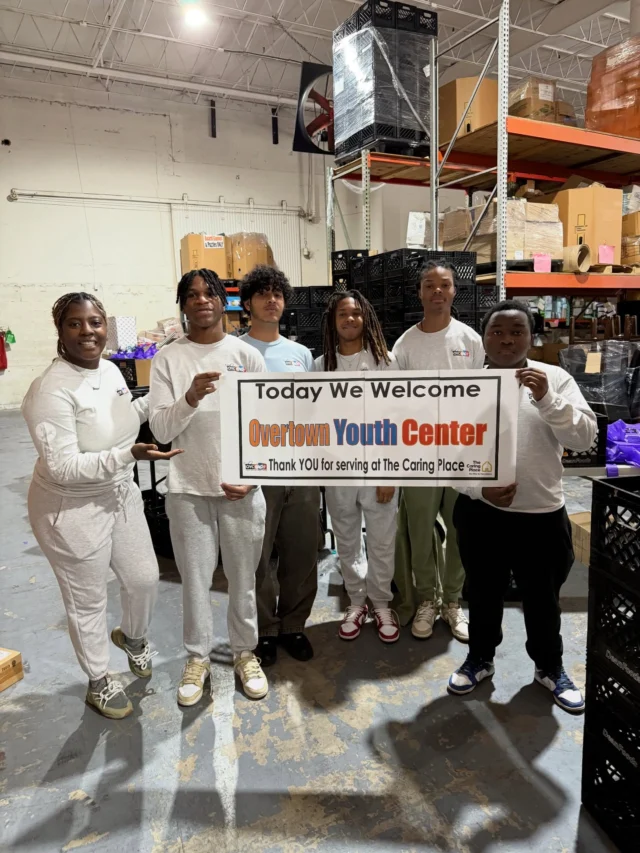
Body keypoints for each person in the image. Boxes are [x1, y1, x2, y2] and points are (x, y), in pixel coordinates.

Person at [22, 293, 180, 719]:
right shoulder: (49, 391)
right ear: (60, 329)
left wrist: (173, 396)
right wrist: (129, 456)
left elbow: (123, 417)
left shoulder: (109, 369)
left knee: (145, 578)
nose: (87, 331)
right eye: (75, 324)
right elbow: (64, 467)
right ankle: (98, 680)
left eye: (94, 322)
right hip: (69, 509)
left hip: (118, 492)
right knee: (87, 600)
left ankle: (132, 637)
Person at [448, 301, 595, 713]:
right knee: (481, 592)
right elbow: (447, 458)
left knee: (543, 598)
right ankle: (480, 659)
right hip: (481, 514)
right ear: (484, 338)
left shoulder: (555, 379)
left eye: (517, 331)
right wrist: (479, 490)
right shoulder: (466, 388)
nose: (507, 339)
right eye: (497, 331)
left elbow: (585, 437)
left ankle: (550, 667)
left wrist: (547, 399)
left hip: (540, 514)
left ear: (533, 337)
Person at [148, 269, 269, 705]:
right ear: (183, 305)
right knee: (195, 581)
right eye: (192, 295)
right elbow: (160, 427)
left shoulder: (246, 355)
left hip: (242, 489)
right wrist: (190, 398)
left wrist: (253, 476)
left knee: (243, 579)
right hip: (188, 488)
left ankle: (244, 653)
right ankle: (197, 657)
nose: (202, 300)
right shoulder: (168, 360)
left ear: (224, 301)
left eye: (210, 293)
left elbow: (268, 429)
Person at [392, 260, 485, 642]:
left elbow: (483, 399)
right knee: (419, 530)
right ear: (420, 293)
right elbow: (394, 405)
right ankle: (426, 599)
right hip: (418, 457)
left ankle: (452, 601)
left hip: (461, 455)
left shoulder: (471, 340)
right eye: (429, 285)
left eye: (444, 285)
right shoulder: (405, 345)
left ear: (453, 291)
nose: (436, 292)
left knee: (461, 530)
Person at [240, 265, 320, 667]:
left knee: (302, 552)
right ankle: (265, 630)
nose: (272, 300)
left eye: (278, 294)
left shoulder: (300, 354)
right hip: (257, 472)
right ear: (248, 303)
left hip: (300, 466)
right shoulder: (236, 352)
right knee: (258, 555)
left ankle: (294, 625)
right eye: (263, 294)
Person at [315, 290, 400, 643]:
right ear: (333, 323)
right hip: (338, 472)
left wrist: (389, 471)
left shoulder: (386, 361)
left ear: (366, 318)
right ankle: (357, 600)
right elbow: (313, 422)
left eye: (356, 314)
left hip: (378, 469)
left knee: (381, 540)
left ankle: (381, 602)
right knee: (347, 540)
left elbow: (397, 420)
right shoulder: (321, 366)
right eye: (342, 315)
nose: (350, 320)